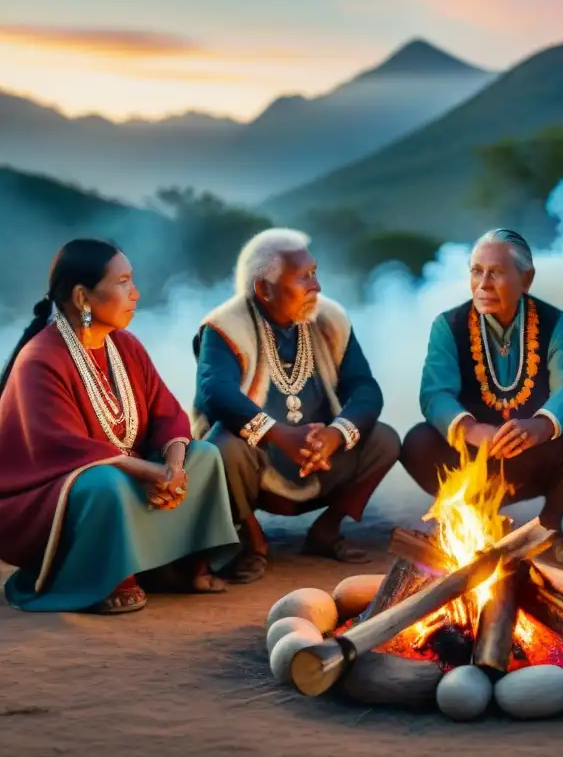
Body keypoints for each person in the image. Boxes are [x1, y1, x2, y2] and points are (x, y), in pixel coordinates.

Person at [0, 239, 240, 615]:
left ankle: (176, 568)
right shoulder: (39, 359)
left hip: (136, 471)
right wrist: (147, 470)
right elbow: (61, 448)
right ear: (82, 297)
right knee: (105, 484)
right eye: (123, 282)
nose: (135, 293)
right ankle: (107, 577)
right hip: (62, 490)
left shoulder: (126, 345)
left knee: (205, 456)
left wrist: (172, 468)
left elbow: (167, 415)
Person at [192, 228, 399, 583]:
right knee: (223, 448)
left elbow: (365, 387)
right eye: (303, 277)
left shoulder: (328, 318)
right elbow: (216, 392)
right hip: (260, 462)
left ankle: (326, 531)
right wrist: (280, 435)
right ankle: (251, 542)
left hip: (323, 456)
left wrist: (336, 434)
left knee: (384, 440)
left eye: (315, 272)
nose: (316, 286)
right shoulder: (225, 326)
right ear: (264, 289)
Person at [400, 228, 563, 566]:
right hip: (474, 455)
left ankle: (549, 528)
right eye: (476, 271)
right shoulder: (448, 325)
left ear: (526, 279)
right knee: (417, 442)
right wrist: (470, 430)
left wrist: (541, 426)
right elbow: (434, 393)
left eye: (495, 272)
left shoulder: (556, 323)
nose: (483, 283)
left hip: (535, 452)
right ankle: (477, 524)